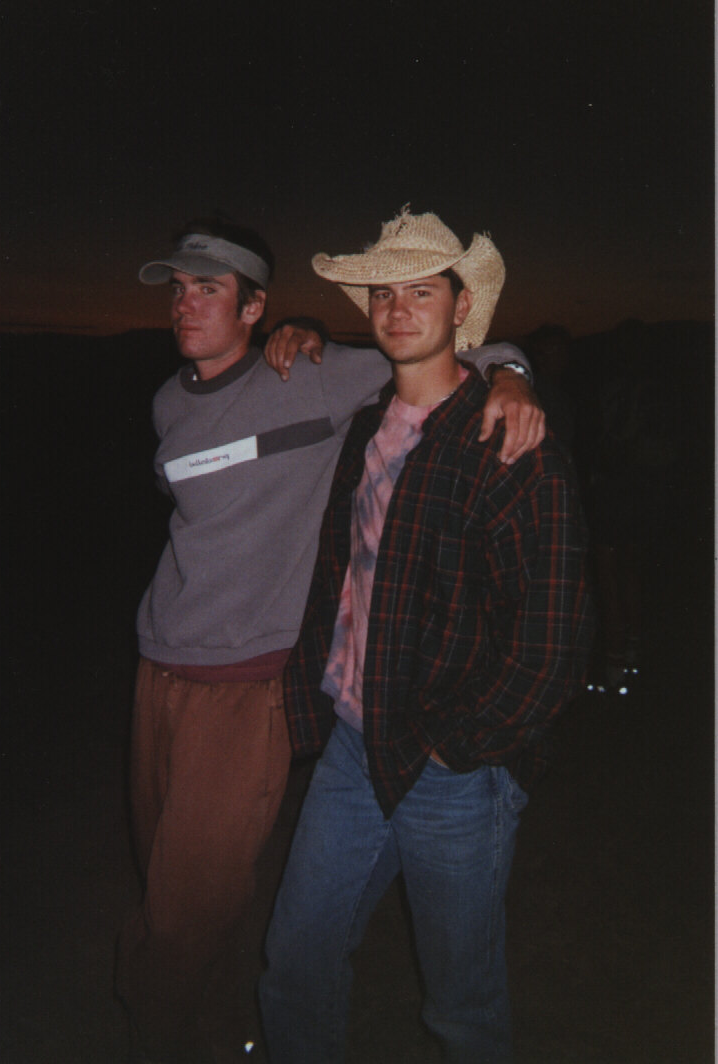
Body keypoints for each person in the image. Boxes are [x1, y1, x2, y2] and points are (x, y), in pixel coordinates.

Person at [114, 215, 545, 1064]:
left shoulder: (312, 378)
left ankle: (162, 1033)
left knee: (185, 909)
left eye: (209, 289)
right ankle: (213, 1030)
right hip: (160, 666)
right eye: (179, 289)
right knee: (182, 888)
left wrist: (516, 376)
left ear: (254, 308)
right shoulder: (167, 401)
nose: (186, 304)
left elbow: (452, 355)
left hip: (251, 682)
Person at [259, 208, 594, 1064]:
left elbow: (551, 641)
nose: (396, 308)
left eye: (420, 291)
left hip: (454, 767)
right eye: (383, 292)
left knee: (460, 1005)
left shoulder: (510, 442)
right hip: (352, 743)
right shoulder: (366, 426)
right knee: (295, 961)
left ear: (460, 307)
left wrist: (460, 744)